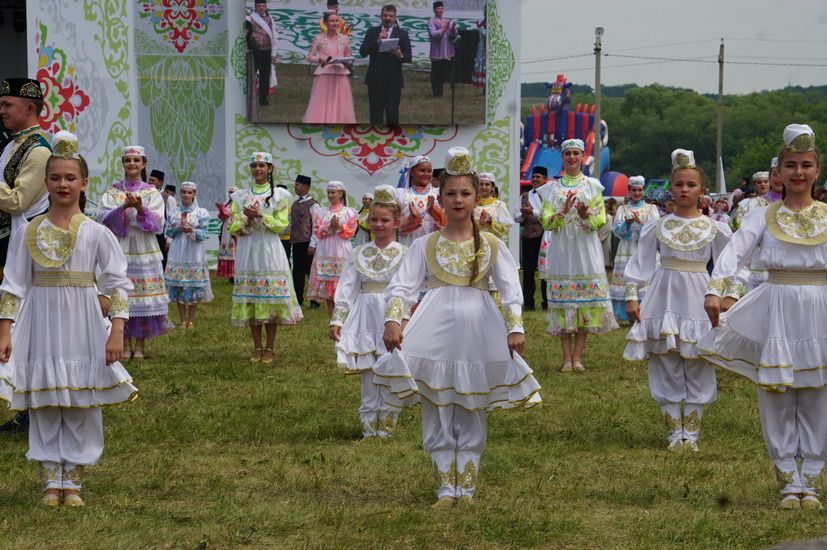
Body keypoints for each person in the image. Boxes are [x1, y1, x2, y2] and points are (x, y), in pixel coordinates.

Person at [375, 147, 541, 509]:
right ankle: (443, 489)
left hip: (478, 332)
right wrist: (393, 319)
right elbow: (401, 286)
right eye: (450, 193)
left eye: (465, 193)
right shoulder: (425, 244)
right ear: (439, 197)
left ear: (477, 196)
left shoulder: (492, 245)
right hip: (433, 331)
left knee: (471, 401)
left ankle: (465, 487)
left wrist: (515, 328)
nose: (458, 199)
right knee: (436, 400)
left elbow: (511, 290)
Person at [0, 131, 136, 507]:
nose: (63, 184)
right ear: (45, 182)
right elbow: (13, 285)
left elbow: (117, 283)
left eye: (70, 178)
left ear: (83, 183)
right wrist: (5, 330)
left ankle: (73, 479)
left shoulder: (97, 233)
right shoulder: (27, 232)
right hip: (40, 322)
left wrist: (117, 331)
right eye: (56, 177)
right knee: (44, 400)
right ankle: (49, 480)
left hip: (83, 322)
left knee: (80, 400)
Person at [699, 124, 827, 510]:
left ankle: (813, 479)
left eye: (806, 165)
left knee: (818, 393)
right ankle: (789, 478)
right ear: (778, 173)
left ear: (817, 171)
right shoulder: (764, 216)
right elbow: (733, 250)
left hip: (820, 307)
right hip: (778, 306)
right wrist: (715, 289)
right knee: (776, 391)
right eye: (791, 165)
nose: (799, 173)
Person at [623, 150, 733, 452]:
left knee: (698, 360)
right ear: (670, 188)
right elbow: (640, 264)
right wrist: (633, 297)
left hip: (699, 296)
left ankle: (692, 433)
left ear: (701, 190)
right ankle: (675, 432)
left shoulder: (714, 228)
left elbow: (734, 263)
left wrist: (728, 294)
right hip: (663, 296)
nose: (684, 190)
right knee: (666, 360)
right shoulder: (657, 225)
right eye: (679, 184)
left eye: (691, 185)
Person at [329, 186, 406, 439]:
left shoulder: (405, 254)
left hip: (391, 315)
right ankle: (368, 426)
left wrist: (403, 319)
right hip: (364, 314)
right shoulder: (359, 253)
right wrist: (338, 319)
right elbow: (347, 286)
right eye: (374, 219)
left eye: (385, 220)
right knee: (369, 371)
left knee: (391, 367)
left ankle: (387, 426)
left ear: (396, 222)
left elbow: (410, 289)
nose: (379, 224)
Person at [539, 139, 618, 371]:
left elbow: (600, 221)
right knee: (564, 303)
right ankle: (566, 358)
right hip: (563, 248)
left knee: (584, 303)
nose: (572, 157)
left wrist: (585, 215)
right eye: (568, 154)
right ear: (563, 158)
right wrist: (561, 212)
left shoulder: (593, 186)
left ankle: (578, 357)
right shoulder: (551, 189)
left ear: (583, 156)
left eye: (576, 153)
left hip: (585, 248)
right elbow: (545, 221)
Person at [0, 78, 51, 434]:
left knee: (25, 328)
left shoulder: (39, 151)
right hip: (9, 243)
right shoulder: (11, 145)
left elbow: (19, 202)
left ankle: (36, 410)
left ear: (30, 108)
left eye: (7, 105)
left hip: (23, 248)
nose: (1, 111)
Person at [98, 145, 174, 360]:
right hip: (120, 246)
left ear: (144, 163)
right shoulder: (113, 191)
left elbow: (158, 224)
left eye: (136, 160)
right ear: (123, 164)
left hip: (143, 247)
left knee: (142, 296)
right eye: (128, 160)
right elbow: (102, 219)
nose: (132, 164)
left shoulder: (151, 192)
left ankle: (140, 344)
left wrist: (141, 209)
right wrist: (122, 208)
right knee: (122, 292)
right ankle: (123, 342)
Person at [230, 152, 303, 364]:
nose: (258, 169)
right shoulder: (241, 196)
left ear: (270, 169)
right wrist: (246, 219)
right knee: (252, 297)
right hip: (249, 247)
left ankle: (270, 347)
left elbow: (282, 225)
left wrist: (261, 216)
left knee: (270, 298)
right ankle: (256, 346)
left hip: (269, 247)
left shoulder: (280, 195)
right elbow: (234, 225)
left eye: (262, 165)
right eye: (254, 165)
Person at [610, 176, 660, 323]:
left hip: (645, 249)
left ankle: (647, 310)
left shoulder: (651, 208)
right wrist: (626, 224)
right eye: (634, 190)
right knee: (627, 277)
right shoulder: (622, 209)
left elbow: (655, 230)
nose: (637, 193)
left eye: (639, 190)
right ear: (629, 191)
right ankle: (625, 313)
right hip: (627, 247)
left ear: (643, 190)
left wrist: (641, 223)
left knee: (646, 278)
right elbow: (616, 231)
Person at [164, 181, 213, 328]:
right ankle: (182, 320)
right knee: (179, 286)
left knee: (192, 287)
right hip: (178, 250)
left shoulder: (201, 212)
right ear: (180, 193)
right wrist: (179, 228)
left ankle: (191, 320)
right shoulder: (174, 212)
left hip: (194, 250)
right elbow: (168, 232)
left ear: (194, 194)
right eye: (184, 192)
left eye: (189, 192)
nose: (186, 195)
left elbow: (204, 234)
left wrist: (192, 230)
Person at [307, 180, 358, 315]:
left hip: (341, 249)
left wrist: (340, 227)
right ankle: (332, 319)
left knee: (342, 285)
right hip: (325, 249)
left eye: (333, 192)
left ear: (341, 194)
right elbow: (317, 231)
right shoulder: (321, 211)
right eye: (328, 192)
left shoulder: (349, 212)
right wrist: (330, 227)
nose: (330, 195)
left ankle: (343, 318)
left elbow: (351, 231)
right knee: (328, 288)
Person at [358, 4, 412, 126]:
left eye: (391, 16)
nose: (388, 18)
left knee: (392, 114)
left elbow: (409, 57)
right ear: (381, 16)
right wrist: (377, 41)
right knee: (375, 114)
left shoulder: (402, 34)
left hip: (393, 80)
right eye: (385, 15)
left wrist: (400, 55)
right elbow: (363, 52)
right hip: (375, 79)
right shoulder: (372, 32)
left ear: (395, 17)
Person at [303, 12, 356, 124]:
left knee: (341, 102)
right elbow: (309, 56)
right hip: (324, 74)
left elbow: (348, 55)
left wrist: (348, 61)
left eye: (337, 20)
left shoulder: (345, 38)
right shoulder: (318, 38)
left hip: (341, 74)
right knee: (322, 101)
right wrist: (319, 60)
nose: (335, 23)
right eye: (332, 21)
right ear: (326, 23)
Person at [394, 155, 445, 246]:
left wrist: (434, 211)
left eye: (429, 171)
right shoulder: (401, 194)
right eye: (422, 170)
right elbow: (394, 224)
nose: (426, 174)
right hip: (408, 243)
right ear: (412, 172)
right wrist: (412, 219)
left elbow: (447, 223)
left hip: (433, 243)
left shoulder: (438, 193)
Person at [290, 174, 318, 308]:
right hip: (296, 242)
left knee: (311, 272)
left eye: (297, 184)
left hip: (308, 242)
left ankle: (314, 301)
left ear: (306, 187)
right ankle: (298, 299)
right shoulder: (294, 204)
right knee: (297, 272)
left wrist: (313, 243)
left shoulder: (313, 205)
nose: (295, 187)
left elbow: (316, 225)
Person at [245, 0, 278, 106]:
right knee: (251, 75)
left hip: (267, 51)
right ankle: (248, 97)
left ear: (266, 7)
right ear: (255, 7)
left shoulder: (270, 19)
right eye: (259, 6)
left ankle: (263, 99)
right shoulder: (249, 19)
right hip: (254, 51)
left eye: (263, 6)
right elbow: (245, 35)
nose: (261, 8)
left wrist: (274, 53)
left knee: (265, 75)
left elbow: (274, 37)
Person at [427, 1, 458, 98]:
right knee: (436, 73)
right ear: (434, 10)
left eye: (442, 8)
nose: (440, 10)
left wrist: (452, 28)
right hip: (436, 52)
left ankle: (441, 92)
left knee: (442, 73)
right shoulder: (431, 21)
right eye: (438, 8)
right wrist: (443, 30)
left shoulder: (446, 20)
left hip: (446, 51)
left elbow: (452, 34)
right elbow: (434, 34)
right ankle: (436, 92)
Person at [473, 172, 512, 239]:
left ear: (492, 187)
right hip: (474, 242)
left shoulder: (499, 205)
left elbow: (504, 230)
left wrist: (491, 222)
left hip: (493, 242)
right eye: (481, 184)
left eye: (487, 184)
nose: (484, 187)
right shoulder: (471, 204)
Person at [148, 170, 173, 268]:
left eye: (153, 180)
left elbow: (172, 220)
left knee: (161, 261)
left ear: (160, 182)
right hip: (148, 233)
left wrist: (169, 239)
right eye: (149, 180)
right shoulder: (145, 194)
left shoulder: (168, 198)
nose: (150, 182)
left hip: (161, 236)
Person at [216, 186, 238, 281]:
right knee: (227, 251)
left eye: (233, 192)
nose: (231, 194)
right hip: (226, 229)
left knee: (235, 252)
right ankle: (230, 274)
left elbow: (234, 214)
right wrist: (222, 211)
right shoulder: (228, 203)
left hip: (235, 229)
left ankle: (236, 275)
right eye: (230, 192)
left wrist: (223, 209)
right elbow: (223, 216)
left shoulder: (238, 204)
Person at [471, 15, 486, 90]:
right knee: (480, 63)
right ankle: (480, 83)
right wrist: (480, 27)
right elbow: (485, 34)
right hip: (482, 47)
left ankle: (485, 85)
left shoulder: (493, 22)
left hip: (488, 47)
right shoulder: (481, 23)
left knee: (485, 65)